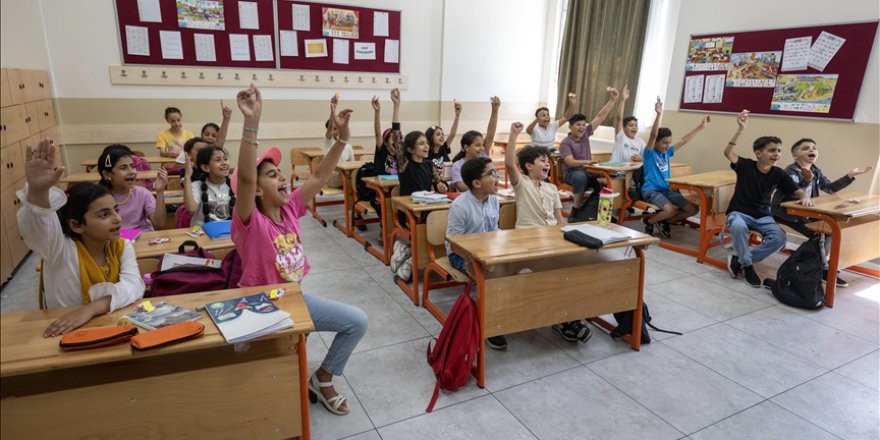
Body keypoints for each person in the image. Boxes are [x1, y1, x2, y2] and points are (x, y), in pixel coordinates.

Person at [230, 85, 367, 416]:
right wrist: (252, 122)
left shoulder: (291, 208)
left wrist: (343, 137)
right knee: (265, 383)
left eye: (279, 173)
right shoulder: (249, 221)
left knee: (356, 322)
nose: (281, 179)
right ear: (257, 191)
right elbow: (246, 181)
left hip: (294, 300)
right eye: (272, 175)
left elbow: (320, 173)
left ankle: (322, 377)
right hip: (259, 309)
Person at [17, 139, 145, 337]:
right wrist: (38, 193)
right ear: (76, 225)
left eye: (116, 210)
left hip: (112, 327)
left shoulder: (121, 245)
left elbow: (134, 286)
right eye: (104, 214)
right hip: (64, 333)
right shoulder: (58, 249)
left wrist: (92, 308)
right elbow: (38, 228)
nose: (117, 219)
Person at [506, 123, 591, 343]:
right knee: (551, 276)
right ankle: (563, 318)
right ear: (528, 166)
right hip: (526, 240)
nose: (547, 164)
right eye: (542, 160)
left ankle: (569, 314)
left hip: (550, 238)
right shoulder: (522, 184)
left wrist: (569, 236)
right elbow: (508, 163)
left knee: (578, 266)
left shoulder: (552, 189)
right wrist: (514, 135)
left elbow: (559, 220)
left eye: (547, 160)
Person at [724, 111, 813, 288]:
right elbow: (728, 152)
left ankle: (739, 260)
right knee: (738, 226)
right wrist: (740, 129)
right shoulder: (746, 166)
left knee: (779, 238)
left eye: (779, 151)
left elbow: (797, 191)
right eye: (772, 150)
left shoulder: (778, 173)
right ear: (758, 153)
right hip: (739, 213)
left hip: (763, 216)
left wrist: (805, 197)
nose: (777, 154)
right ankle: (748, 266)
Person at [771, 138, 872, 287]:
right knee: (819, 235)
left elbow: (830, 188)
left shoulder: (816, 170)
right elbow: (791, 195)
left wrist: (850, 175)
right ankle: (821, 269)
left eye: (814, 148)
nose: (811, 150)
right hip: (785, 212)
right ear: (795, 155)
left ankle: (817, 265)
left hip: (806, 212)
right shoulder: (790, 171)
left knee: (829, 231)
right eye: (805, 148)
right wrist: (806, 181)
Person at [445, 157, 507, 350]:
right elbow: (454, 243)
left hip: (488, 252)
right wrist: (478, 258)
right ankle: (491, 325)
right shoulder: (460, 206)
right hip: (462, 255)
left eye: (496, 172)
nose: (497, 177)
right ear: (477, 183)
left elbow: (494, 229)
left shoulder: (494, 201)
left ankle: (511, 314)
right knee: (493, 277)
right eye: (491, 174)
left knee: (515, 269)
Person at [640, 100, 707, 238]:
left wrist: (701, 126)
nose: (667, 146)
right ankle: (649, 220)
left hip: (667, 190)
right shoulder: (649, 153)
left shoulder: (667, 152)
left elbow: (684, 140)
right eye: (664, 143)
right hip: (651, 190)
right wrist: (659, 114)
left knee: (693, 209)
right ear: (656, 142)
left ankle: (664, 221)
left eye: (668, 143)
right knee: (669, 209)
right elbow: (652, 135)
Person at [559, 87, 619, 213]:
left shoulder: (585, 134)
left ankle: (599, 210)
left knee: (609, 178)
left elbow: (600, 116)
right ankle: (575, 210)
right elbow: (570, 162)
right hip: (572, 173)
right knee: (581, 177)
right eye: (578, 125)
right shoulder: (566, 143)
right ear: (570, 126)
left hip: (588, 170)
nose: (582, 127)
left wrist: (612, 101)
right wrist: (588, 162)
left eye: (583, 125)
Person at [98, 144, 168, 231]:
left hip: (144, 238)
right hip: (116, 240)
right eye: (123, 168)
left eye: (133, 166)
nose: (131, 172)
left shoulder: (142, 193)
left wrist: (160, 192)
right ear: (107, 174)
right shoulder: (99, 198)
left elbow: (159, 224)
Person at [450, 97, 500, 192]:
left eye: (482, 145)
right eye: (477, 145)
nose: (482, 148)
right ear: (466, 147)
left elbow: (490, 134)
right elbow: (461, 186)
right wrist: (484, 185)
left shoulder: (483, 157)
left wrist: (495, 110)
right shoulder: (458, 165)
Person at [183, 146, 235, 226]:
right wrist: (187, 176)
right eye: (218, 160)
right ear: (206, 167)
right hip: (202, 232)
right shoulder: (196, 185)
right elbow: (191, 208)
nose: (224, 163)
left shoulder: (234, 184)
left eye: (225, 159)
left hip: (227, 232)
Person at [611, 85, 644, 163]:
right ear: (624, 128)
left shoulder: (640, 142)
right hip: (616, 172)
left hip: (630, 173)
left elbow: (649, 157)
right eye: (631, 125)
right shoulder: (621, 136)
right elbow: (619, 118)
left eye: (636, 125)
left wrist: (642, 159)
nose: (634, 128)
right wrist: (623, 100)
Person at [371, 90, 401, 175]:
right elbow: (377, 133)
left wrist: (396, 105)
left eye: (398, 139)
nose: (396, 141)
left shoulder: (400, 153)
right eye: (393, 139)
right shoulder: (382, 149)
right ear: (386, 142)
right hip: (381, 186)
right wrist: (377, 111)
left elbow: (396, 130)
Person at [426, 100, 462, 169]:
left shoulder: (443, 148)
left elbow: (452, 134)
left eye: (442, 134)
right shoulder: (426, 154)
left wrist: (457, 116)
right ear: (430, 137)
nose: (442, 136)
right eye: (438, 134)